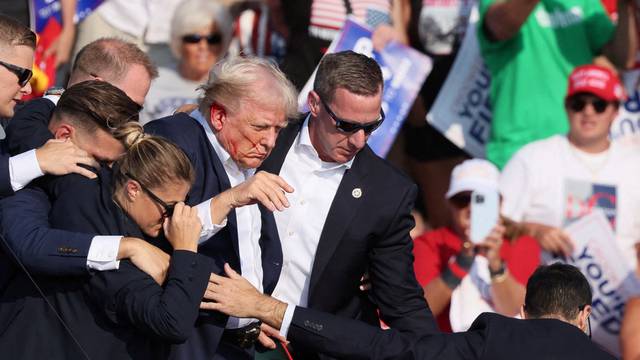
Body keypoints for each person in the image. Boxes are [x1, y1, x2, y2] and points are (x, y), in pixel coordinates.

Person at [252, 50, 436, 358]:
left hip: (311, 346)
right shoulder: (266, 137)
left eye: (372, 126)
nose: (360, 140)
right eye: (347, 125)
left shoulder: (387, 192)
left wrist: (439, 352)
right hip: (231, 330)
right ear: (314, 104)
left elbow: (400, 298)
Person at [0, 123, 214, 359]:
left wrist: (49, 99)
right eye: (170, 208)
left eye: (183, 205)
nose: (174, 218)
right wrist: (186, 249)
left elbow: (29, 127)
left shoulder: (85, 180)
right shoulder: (113, 246)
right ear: (133, 189)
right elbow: (172, 323)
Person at [203, 262, 615, 360]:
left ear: (524, 311)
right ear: (584, 315)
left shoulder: (491, 341)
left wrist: (266, 307)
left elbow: (380, 346)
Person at [500, 65, 640, 273]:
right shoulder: (532, 157)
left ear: (615, 111)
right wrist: (534, 231)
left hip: (620, 300)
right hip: (546, 298)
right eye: (578, 104)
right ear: (567, 107)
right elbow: (493, 222)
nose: (588, 112)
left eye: (599, 105)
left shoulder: (634, 165)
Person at [0, 14, 101, 290]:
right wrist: (38, 160)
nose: (29, 87)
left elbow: (29, 233)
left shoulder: (11, 127)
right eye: (22, 74)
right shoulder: (30, 154)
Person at [478, 0, 637, 168]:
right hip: (519, 151)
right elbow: (501, 26)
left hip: (578, 150)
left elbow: (622, 59)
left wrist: (625, 5)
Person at [413, 159, 541, 332]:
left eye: (482, 199)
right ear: (449, 203)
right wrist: (462, 261)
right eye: (463, 199)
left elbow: (515, 311)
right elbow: (419, 312)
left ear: (500, 203)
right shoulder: (428, 244)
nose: (472, 207)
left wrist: (495, 265)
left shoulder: (522, 244)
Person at [140, 0, 233, 124]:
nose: (203, 46)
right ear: (179, 41)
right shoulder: (151, 81)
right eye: (193, 39)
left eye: (212, 39)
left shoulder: (233, 85)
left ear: (223, 43)